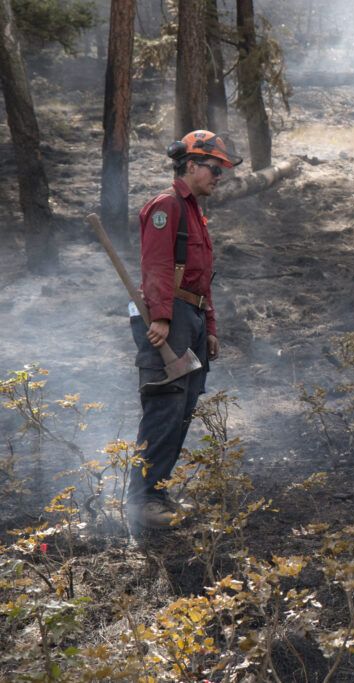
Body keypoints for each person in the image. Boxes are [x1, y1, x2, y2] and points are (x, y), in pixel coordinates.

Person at [127, 130, 241, 530]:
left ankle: (157, 491)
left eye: (221, 170)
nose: (219, 176)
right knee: (164, 408)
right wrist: (159, 316)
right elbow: (156, 264)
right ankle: (142, 500)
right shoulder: (167, 206)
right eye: (214, 168)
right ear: (190, 166)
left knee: (182, 410)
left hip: (188, 317)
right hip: (168, 317)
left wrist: (208, 325)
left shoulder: (195, 212)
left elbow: (201, 278)